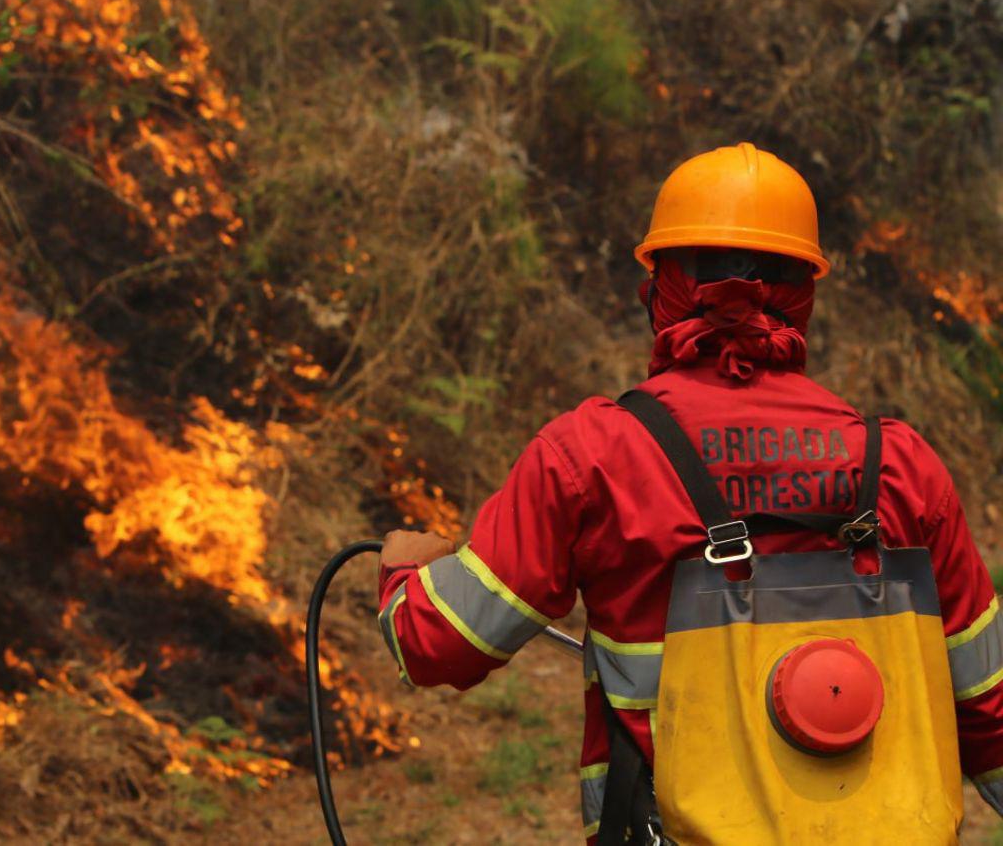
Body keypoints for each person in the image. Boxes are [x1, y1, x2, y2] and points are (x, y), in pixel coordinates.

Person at [376, 143, 1003, 845]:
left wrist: (404, 569)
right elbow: (990, 711)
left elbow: (440, 645)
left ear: (663, 290)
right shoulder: (899, 465)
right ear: (804, 296)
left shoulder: (592, 457)